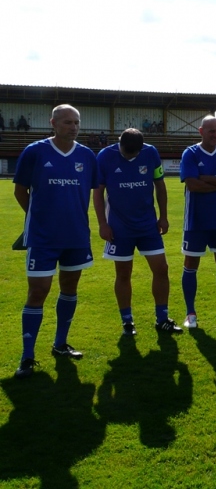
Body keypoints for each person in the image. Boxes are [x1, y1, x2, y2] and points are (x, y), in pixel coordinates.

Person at [12, 104, 98, 379]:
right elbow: (20, 190)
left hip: (75, 236)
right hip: (43, 237)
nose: (73, 127)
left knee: (70, 287)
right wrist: (37, 216)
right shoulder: (35, 152)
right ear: (53, 123)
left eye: (76, 122)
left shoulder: (86, 155)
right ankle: (27, 356)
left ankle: (60, 343)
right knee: (38, 292)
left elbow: (94, 192)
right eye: (67, 122)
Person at [93, 128, 182, 336]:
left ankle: (162, 319)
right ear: (119, 144)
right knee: (123, 273)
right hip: (118, 227)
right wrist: (102, 223)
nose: (129, 157)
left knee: (162, 268)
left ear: (141, 148)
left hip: (147, 225)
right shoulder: (105, 156)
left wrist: (163, 216)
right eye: (125, 153)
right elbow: (98, 192)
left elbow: (160, 185)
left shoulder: (151, 153)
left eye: (134, 154)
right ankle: (127, 322)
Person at [180, 115, 216, 328]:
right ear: (201, 131)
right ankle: (190, 314)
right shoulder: (191, 153)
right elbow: (193, 186)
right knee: (191, 264)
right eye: (211, 131)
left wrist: (205, 177)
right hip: (196, 221)